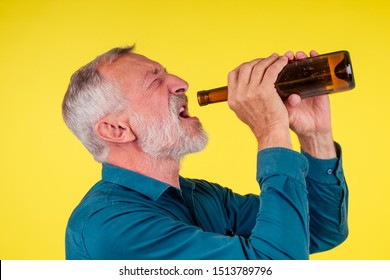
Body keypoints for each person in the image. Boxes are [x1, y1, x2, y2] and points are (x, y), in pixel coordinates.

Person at [62, 46, 348, 260]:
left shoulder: (204, 196)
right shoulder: (110, 226)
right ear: (115, 130)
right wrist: (272, 130)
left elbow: (319, 229)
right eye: (154, 82)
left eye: (166, 73)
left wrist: (315, 136)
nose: (181, 83)